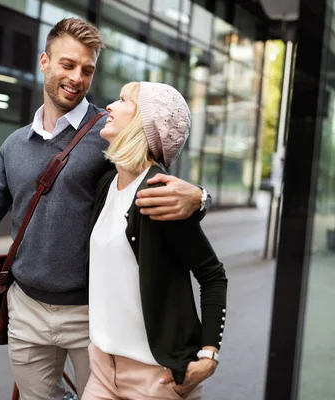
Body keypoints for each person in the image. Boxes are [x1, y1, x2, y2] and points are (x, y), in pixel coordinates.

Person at [0, 18, 210, 400]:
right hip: (27, 311)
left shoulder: (110, 134)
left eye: (87, 70)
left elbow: (163, 184)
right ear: (44, 61)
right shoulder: (15, 146)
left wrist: (200, 198)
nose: (77, 78)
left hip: (95, 316)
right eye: (68, 65)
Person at [83, 81, 227, 400]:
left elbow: (213, 275)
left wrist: (209, 355)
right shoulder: (106, 185)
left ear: (144, 125)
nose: (110, 106)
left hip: (155, 380)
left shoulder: (159, 195)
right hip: (103, 371)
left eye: (123, 100)